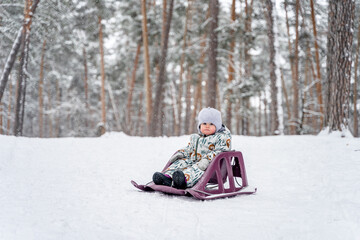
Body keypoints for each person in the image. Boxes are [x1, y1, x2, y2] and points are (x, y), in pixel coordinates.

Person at [152, 107, 232, 189]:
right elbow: (190, 148)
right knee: (179, 163)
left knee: (195, 170)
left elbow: (220, 151)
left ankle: (184, 181)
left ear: (217, 126)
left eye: (211, 124)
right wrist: (181, 153)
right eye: (204, 123)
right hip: (192, 160)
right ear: (200, 125)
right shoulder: (195, 138)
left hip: (208, 166)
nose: (207, 126)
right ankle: (167, 177)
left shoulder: (221, 138)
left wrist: (207, 160)